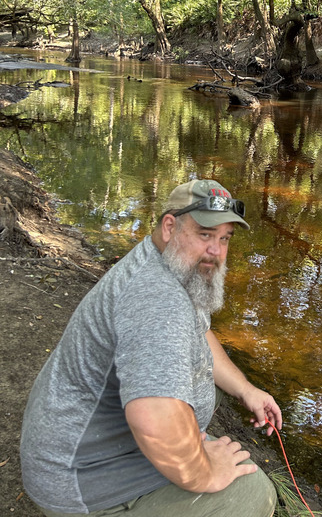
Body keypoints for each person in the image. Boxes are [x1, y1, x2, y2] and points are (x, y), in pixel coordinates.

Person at [20, 178, 282, 517]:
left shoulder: (173, 264)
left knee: (207, 384)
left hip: (85, 445)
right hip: (81, 477)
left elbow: (199, 336)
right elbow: (153, 420)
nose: (216, 251)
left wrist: (247, 390)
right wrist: (205, 471)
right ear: (170, 226)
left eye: (224, 238)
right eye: (205, 235)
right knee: (250, 494)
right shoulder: (156, 301)